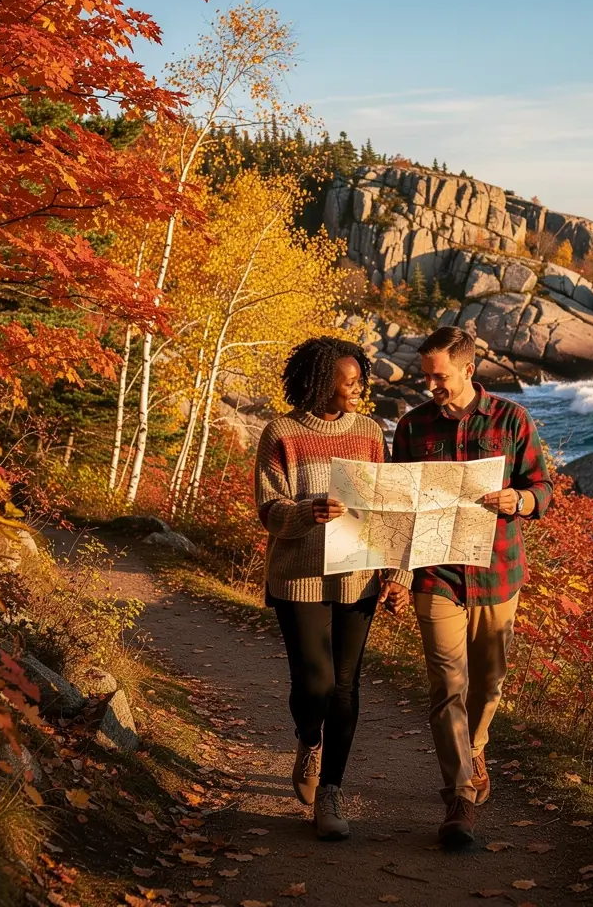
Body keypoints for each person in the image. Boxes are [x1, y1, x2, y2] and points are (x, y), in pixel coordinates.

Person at [393, 326, 551, 848]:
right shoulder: (413, 427)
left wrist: (520, 502)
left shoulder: (511, 419)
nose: (431, 385)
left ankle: (477, 745)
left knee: (488, 684)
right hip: (435, 574)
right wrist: (395, 571)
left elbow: (541, 486)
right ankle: (459, 795)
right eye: (426, 376)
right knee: (445, 686)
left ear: (468, 369)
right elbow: (398, 505)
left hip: (497, 574)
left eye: (439, 376)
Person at [254, 336, 411, 840]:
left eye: (361, 381)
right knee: (313, 686)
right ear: (321, 382)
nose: (359, 390)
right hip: (298, 576)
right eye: (350, 382)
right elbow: (268, 509)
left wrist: (396, 573)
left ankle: (331, 793)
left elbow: (384, 506)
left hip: (358, 575)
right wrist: (307, 511)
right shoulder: (281, 432)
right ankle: (308, 739)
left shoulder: (367, 432)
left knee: (345, 688)